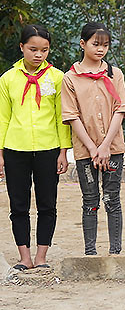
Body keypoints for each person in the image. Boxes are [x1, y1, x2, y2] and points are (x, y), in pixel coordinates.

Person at [0, 25, 71, 270]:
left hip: (48, 148)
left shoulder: (58, 77)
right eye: (33, 49)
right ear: (21, 47)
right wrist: (0, 153)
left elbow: (62, 116)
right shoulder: (8, 79)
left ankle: (41, 257)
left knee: (47, 204)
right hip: (14, 148)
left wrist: (63, 151)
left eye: (44, 50)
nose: (39, 55)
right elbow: (3, 117)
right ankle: (24, 257)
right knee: (18, 205)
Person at [62, 22, 125, 255]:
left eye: (105, 45)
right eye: (95, 44)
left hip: (113, 149)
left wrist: (105, 146)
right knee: (90, 200)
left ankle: (115, 252)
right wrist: (93, 148)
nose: (101, 49)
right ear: (83, 44)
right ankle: (90, 253)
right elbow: (72, 116)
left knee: (112, 199)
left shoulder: (115, 74)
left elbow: (121, 110)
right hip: (85, 151)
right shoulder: (70, 78)